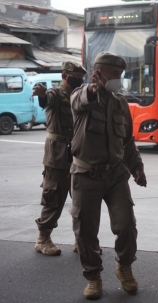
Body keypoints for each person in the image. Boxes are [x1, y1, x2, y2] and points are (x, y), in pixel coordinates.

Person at [70, 52, 147, 300]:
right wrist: (94, 89)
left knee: (126, 225)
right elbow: (81, 101)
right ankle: (93, 276)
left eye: (120, 75)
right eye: (114, 75)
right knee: (85, 231)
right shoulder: (81, 95)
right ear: (99, 73)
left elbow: (127, 141)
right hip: (86, 174)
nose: (118, 80)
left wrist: (137, 167)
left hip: (115, 175)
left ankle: (124, 266)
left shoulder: (120, 103)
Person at [32, 61, 86, 256]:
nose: (79, 81)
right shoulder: (56, 94)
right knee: (53, 196)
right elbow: (47, 99)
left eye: (81, 78)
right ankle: (43, 239)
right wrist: (42, 94)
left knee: (81, 199)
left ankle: (81, 241)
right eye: (75, 78)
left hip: (78, 152)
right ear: (64, 76)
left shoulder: (79, 95)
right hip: (57, 153)